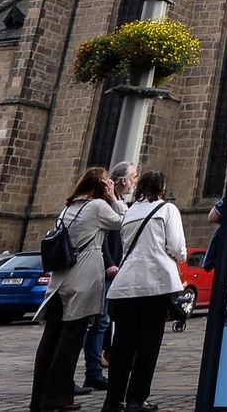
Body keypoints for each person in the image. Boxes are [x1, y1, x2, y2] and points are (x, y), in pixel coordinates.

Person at [31, 167, 126, 412]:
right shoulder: (96, 207)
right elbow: (124, 222)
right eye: (107, 182)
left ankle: (39, 397)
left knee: (51, 339)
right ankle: (57, 397)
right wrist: (115, 198)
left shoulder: (68, 209)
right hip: (82, 280)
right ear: (100, 186)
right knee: (70, 341)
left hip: (60, 280)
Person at [103, 169, 185, 412]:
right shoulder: (167, 209)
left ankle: (112, 401)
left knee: (122, 347)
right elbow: (177, 248)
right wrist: (178, 256)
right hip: (155, 284)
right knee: (148, 345)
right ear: (161, 188)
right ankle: (136, 400)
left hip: (126, 284)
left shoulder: (130, 212)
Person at [84, 159, 136, 393]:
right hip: (107, 269)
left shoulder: (115, 201)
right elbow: (105, 235)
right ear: (123, 180)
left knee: (105, 321)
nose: (135, 182)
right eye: (134, 177)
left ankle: (100, 364)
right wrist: (109, 263)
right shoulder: (104, 202)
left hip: (115, 269)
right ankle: (93, 372)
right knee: (99, 322)